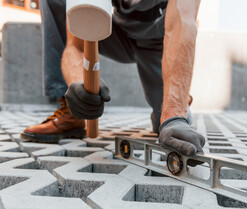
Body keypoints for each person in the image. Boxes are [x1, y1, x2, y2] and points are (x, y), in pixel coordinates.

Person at [21, 0, 205, 158]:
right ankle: (72, 114)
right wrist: (78, 84)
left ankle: (179, 100)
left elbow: (182, 23)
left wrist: (174, 114)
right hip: (117, 35)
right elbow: (76, 45)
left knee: (168, 126)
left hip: (160, 43)